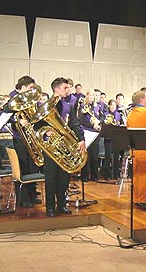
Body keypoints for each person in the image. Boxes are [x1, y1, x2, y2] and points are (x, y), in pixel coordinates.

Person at [36, 77, 86, 217]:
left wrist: (81, 139)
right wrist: (46, 131)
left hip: (64, 146)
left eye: (68, 88)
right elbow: (36, 124)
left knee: (64, 177)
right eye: (65, 88)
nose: (68, 90)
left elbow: (74, 123)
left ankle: (62, 205)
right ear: (56, 89)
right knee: (51, 178)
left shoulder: (68, 104)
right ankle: (50, 207)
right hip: (51, 147)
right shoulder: (45, 105)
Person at [8, 76, 40, 207]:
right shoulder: (13, 99)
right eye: (30, 88)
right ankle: (23, 199)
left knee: (33, 167)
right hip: (20, 139)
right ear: (22, 88)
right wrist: (18, 121)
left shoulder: (31, 99)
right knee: (23, 168)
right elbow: (3, 115)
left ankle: (32, 195)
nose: (32, 91)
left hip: (31, 137)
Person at [78, 88, 102, 182]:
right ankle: (85, 176)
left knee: (94, 155)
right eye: (90, 95)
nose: (92, 97)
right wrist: (92, 125)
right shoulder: (83, 106)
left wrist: (98, 123)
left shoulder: (97, 106)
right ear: (87, 96)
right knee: (86, 155)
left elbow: (101, 117)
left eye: (93, 95)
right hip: (87, 132)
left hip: (95, 133)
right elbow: (82, 120)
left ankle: (94, 176)